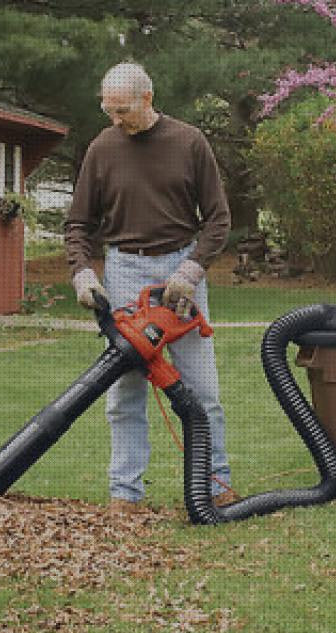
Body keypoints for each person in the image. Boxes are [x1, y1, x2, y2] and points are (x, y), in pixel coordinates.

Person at [64, 62, 236, 515]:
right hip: (124, 270)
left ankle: (217, 483)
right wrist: (82, 273)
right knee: (124, 391)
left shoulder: (189, 142)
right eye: (108, 110)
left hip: (181, 270)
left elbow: (218, 219)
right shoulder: (102, 148)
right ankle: (126, 494)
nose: (115, 120)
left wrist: (192, 271)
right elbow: (78, 223)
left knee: (202, 390)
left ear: (147, 99)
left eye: (122, 110)